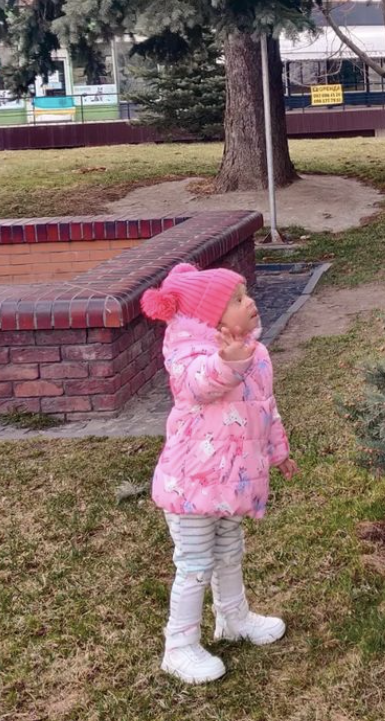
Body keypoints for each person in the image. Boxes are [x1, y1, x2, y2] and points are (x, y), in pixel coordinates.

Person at [140, 262, 299, 684]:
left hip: (231, 484)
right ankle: (179, 646)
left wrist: (279, 451)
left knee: (230, 552)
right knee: (195, 564)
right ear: (212, 317)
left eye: (245, 294)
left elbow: (265, 408)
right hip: (191, 487)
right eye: (237, 299)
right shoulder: (189, 354)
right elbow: (199, 385)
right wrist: (227, 362)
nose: (250, 302)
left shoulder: (255, 354)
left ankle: (233, 618)